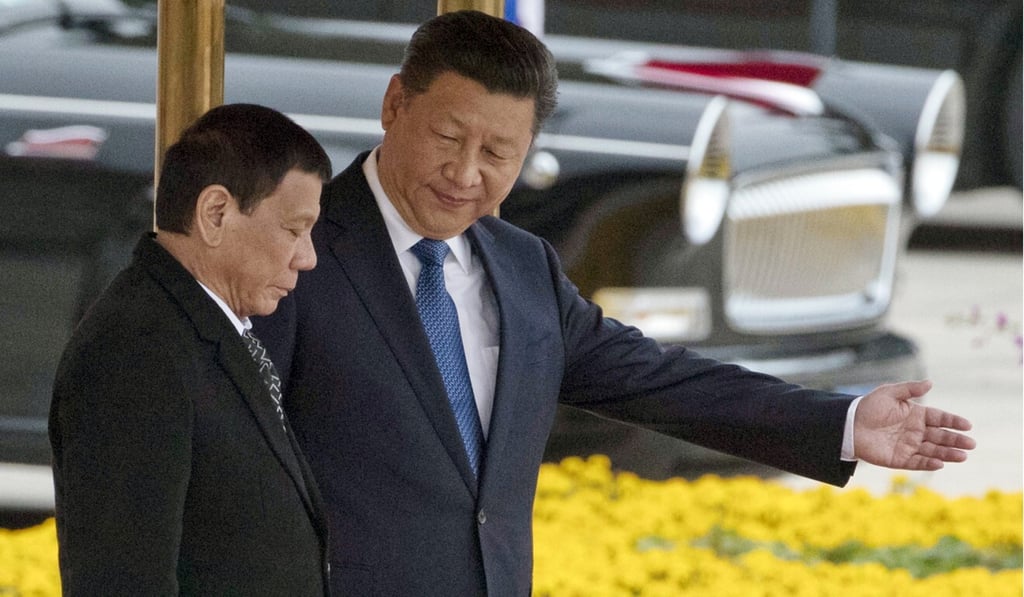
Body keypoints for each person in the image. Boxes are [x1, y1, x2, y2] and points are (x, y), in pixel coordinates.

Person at [252, 10, 975, 597]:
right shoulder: (288, 251)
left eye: (499, 153)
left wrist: (843, 420)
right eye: (447, 137)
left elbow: (657, 379)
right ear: (393, 105)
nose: (465, 173)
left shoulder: (521, 264)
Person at [49, 103, 333, 595]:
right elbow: (122, 579)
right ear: (216, 213)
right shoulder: (136, 350)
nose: (307, 258)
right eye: (294, 229)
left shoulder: (193, 328)